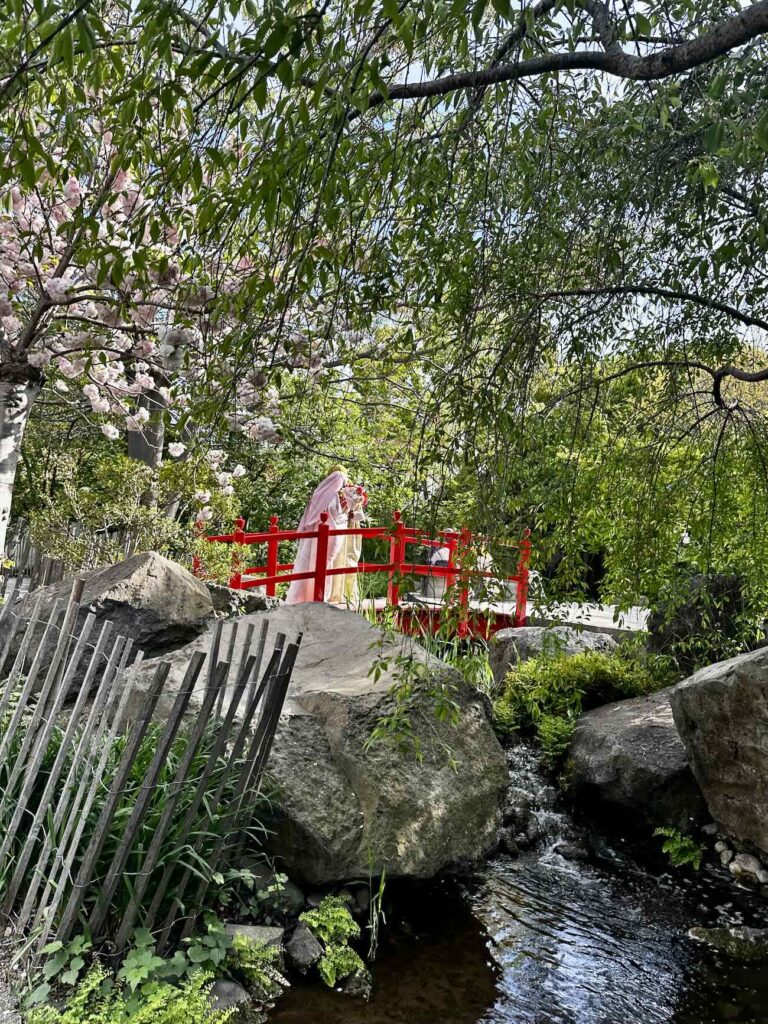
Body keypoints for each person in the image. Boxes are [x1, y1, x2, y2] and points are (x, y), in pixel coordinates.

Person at [285, 467, 350, 604]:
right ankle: (315, 597)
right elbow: (336, 516)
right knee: (320, 565)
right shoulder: (332, 496)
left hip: (316, 533)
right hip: (323, 535)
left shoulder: (321, 492)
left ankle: (312, 596)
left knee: (315, 564)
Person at [329, 483, 368, 605]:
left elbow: (361, 516)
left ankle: (348, 593)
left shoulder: (355, 495)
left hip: (352, 530)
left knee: (350, 561)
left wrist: (351, 514)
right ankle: (335, 593)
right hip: (339, 528)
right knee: (337, 560)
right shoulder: (335, 495)